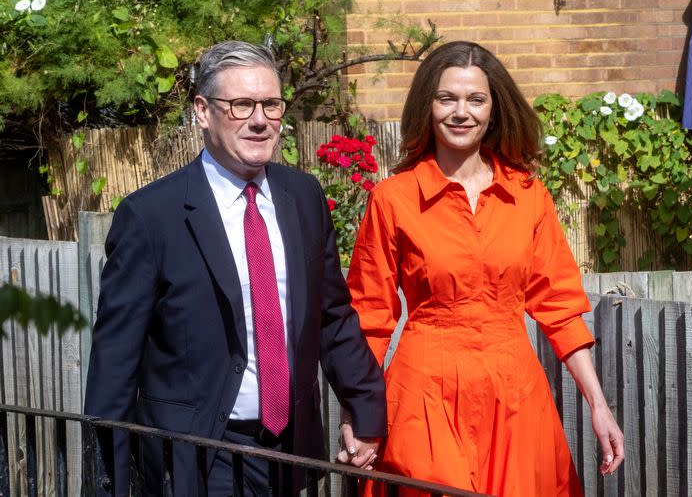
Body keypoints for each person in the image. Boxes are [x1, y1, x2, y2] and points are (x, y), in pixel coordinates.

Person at [84, 40, 385, 496]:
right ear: (203, 111)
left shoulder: (303, 199)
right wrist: (110, 481)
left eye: (271, 104)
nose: (260, 120)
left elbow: (333, 316)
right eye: (241, 104)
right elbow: (116, 360)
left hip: (287, 450)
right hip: (195, 458)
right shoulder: (151, 217)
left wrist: (363, 408)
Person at [346, 40, 624, 496]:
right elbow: (369, 318)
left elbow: (560, 310)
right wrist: (356, 413)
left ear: (494, 110)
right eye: (447, 98)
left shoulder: (530, 197)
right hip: (423, 398)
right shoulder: (393, 199)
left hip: (514, 397)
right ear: (427, 107)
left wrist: (598, 404)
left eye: (476, 100)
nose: (461, 112)